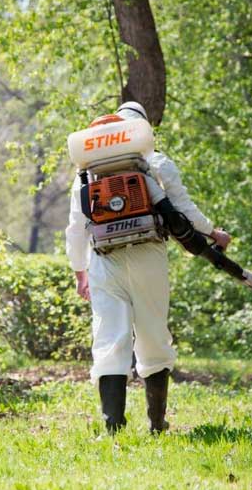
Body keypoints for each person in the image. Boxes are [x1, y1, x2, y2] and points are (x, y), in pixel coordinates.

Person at [65, 101, 231, 434]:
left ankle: (113, 426)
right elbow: (183, 209)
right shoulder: (157, 163)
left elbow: (75, 226)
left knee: (110, 337)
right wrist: (213, 232)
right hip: (148, 254)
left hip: (103, 258)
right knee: (153, 335)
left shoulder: (87, 172)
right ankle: (157, 423)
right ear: (142, 129)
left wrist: (79, 270)